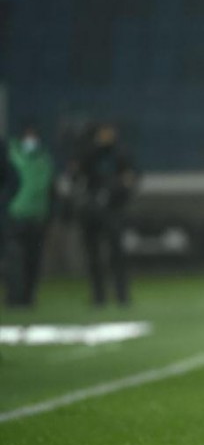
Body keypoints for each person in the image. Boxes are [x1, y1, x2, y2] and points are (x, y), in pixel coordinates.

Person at [67, 122, 139, 307]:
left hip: (113, 210)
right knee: (93, 255)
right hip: (92, 210)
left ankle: (122, 295)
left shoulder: (120, 153)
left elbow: (132, 178)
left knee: (117, 254)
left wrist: (116, 193)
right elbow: (75, 175)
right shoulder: (89, 152)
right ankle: (99, 296)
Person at [3, 121, 55, 308]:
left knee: (33, 260)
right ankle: (14, 297)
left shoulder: (44, 158)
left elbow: (50, 188)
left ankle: (28, 297)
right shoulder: (11, 154)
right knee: (14, 259)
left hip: (37, 216)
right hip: (15, 215)